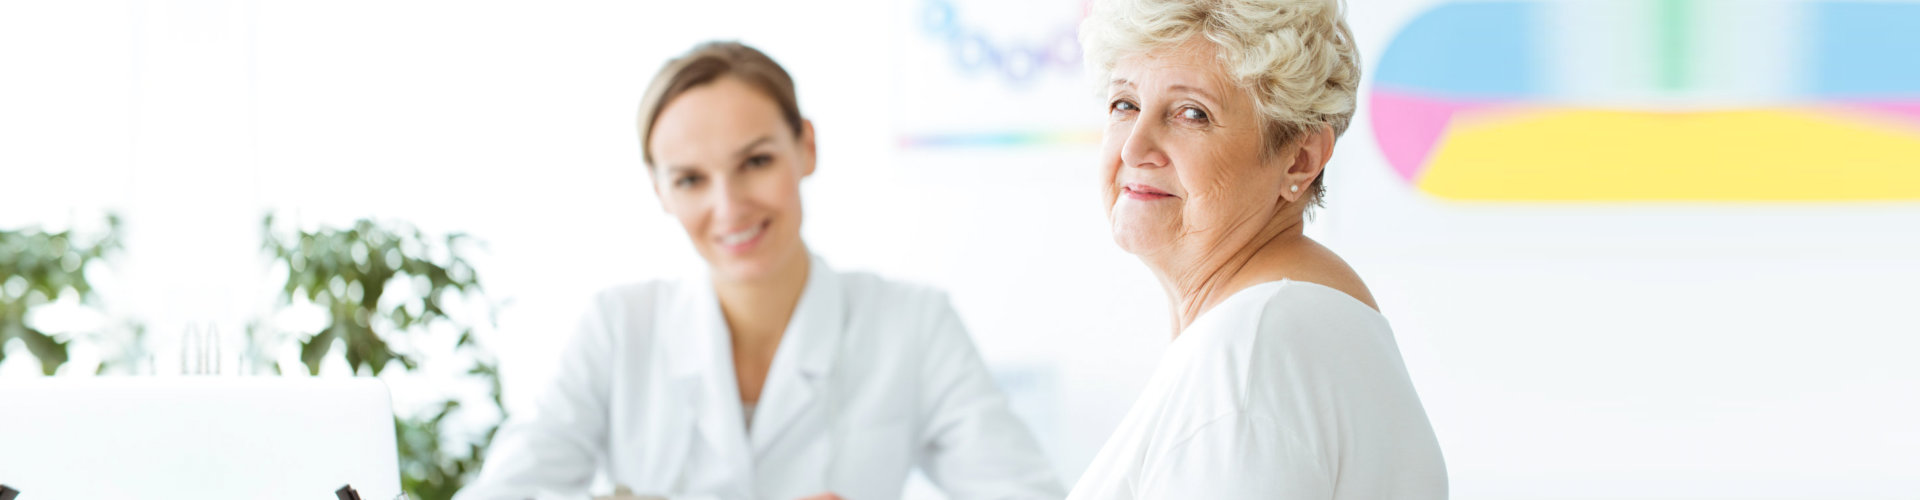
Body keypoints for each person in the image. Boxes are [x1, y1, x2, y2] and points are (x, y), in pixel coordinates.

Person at [456, 41, 1063, 500]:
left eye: (755, 162)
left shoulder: (913, 324)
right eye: (691, 179)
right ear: (660, 191)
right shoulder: (616, 326)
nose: (729, 207)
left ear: (806, 147)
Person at [1066, 0, 1447, 497]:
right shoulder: (1292, 326)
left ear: (1301, 159)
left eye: (1191, 113)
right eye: (1125, 105)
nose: (1134, 148)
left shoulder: (1249, 353)